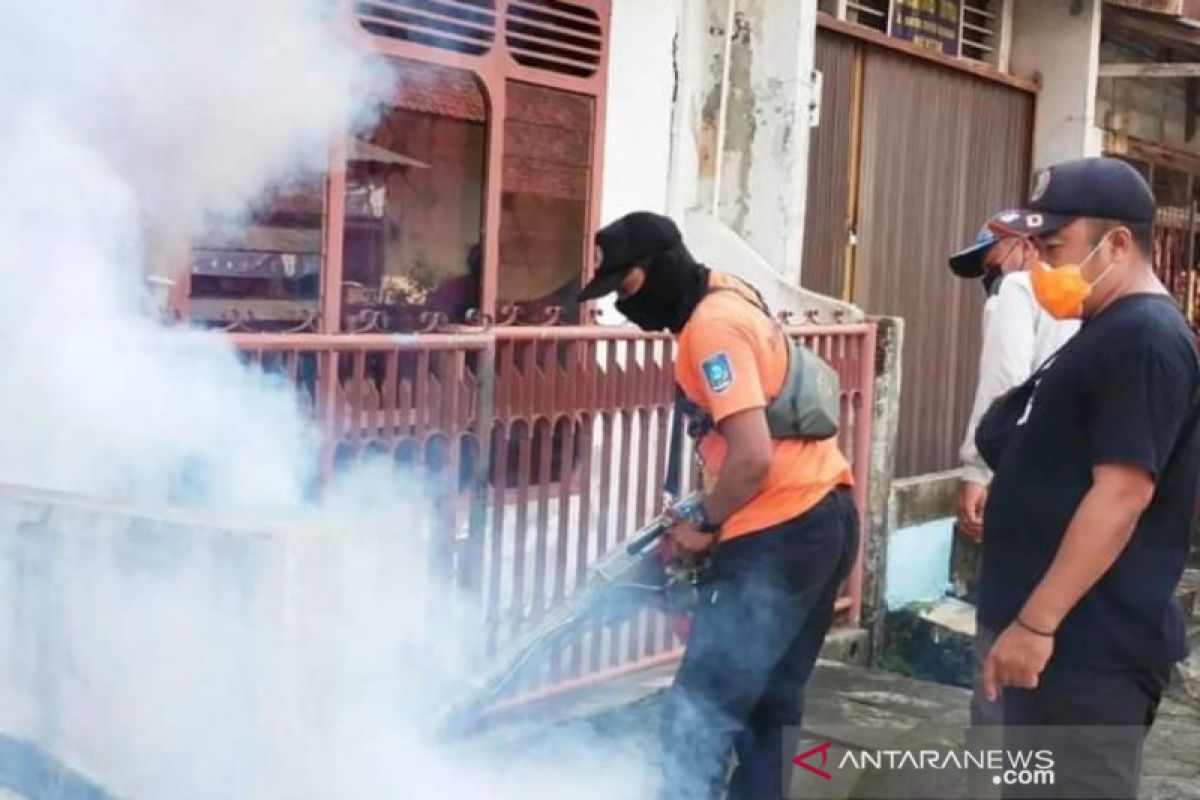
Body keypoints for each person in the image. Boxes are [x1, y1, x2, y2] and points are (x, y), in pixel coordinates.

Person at [577, 211, 859, 800]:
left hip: (778, 531)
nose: (624, 308)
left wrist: (703, 521)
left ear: (662, 268)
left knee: (698, 713)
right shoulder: (730, 291)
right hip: (824, 513)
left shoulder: (711, 328)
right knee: (773, 705)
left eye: (627, 289)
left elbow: (752, 457)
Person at [974, 157, 1200, 799]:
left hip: (1085, 654)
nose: (1040, 266)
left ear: (1118, 244)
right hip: (1054, 656)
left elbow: (1122, 493)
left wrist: (1037, 624)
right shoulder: (1105, 329)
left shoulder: (1145, 341)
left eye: (1054, 247)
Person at [947, 211, 1080, 736]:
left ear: (1025, 247)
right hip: (1080, 489)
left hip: (1024, 483)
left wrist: (975, 470)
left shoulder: (1019, 290)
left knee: (999, 644)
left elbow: (1004, 383)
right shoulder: (1094, 295)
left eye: (991, 265)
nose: (991, 283)